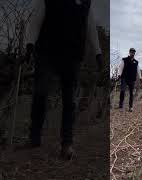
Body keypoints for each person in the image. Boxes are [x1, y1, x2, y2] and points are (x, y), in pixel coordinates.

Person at [19, 0, 103, 160]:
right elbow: (36, 20)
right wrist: (30, 45)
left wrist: (98, 52)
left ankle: (67, 144)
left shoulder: (86, 2)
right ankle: (34, 138)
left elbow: (91, 27)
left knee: (69, 100)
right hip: (46, 52)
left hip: (73, 56)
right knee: (40, 92)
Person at [117, 48, 142, 112]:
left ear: (134, 53)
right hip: (124, 78)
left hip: (132, 79)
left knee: (131, 93)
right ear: (129, 52)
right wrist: (119, 75)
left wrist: (140, 77)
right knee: (122, 91)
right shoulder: (124, 60)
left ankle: (130, 107)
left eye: (133, 52)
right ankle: (120, 105)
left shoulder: (136, 62)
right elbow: (120, 67)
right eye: (131, 52)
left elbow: (138, 70)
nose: (132, 53)